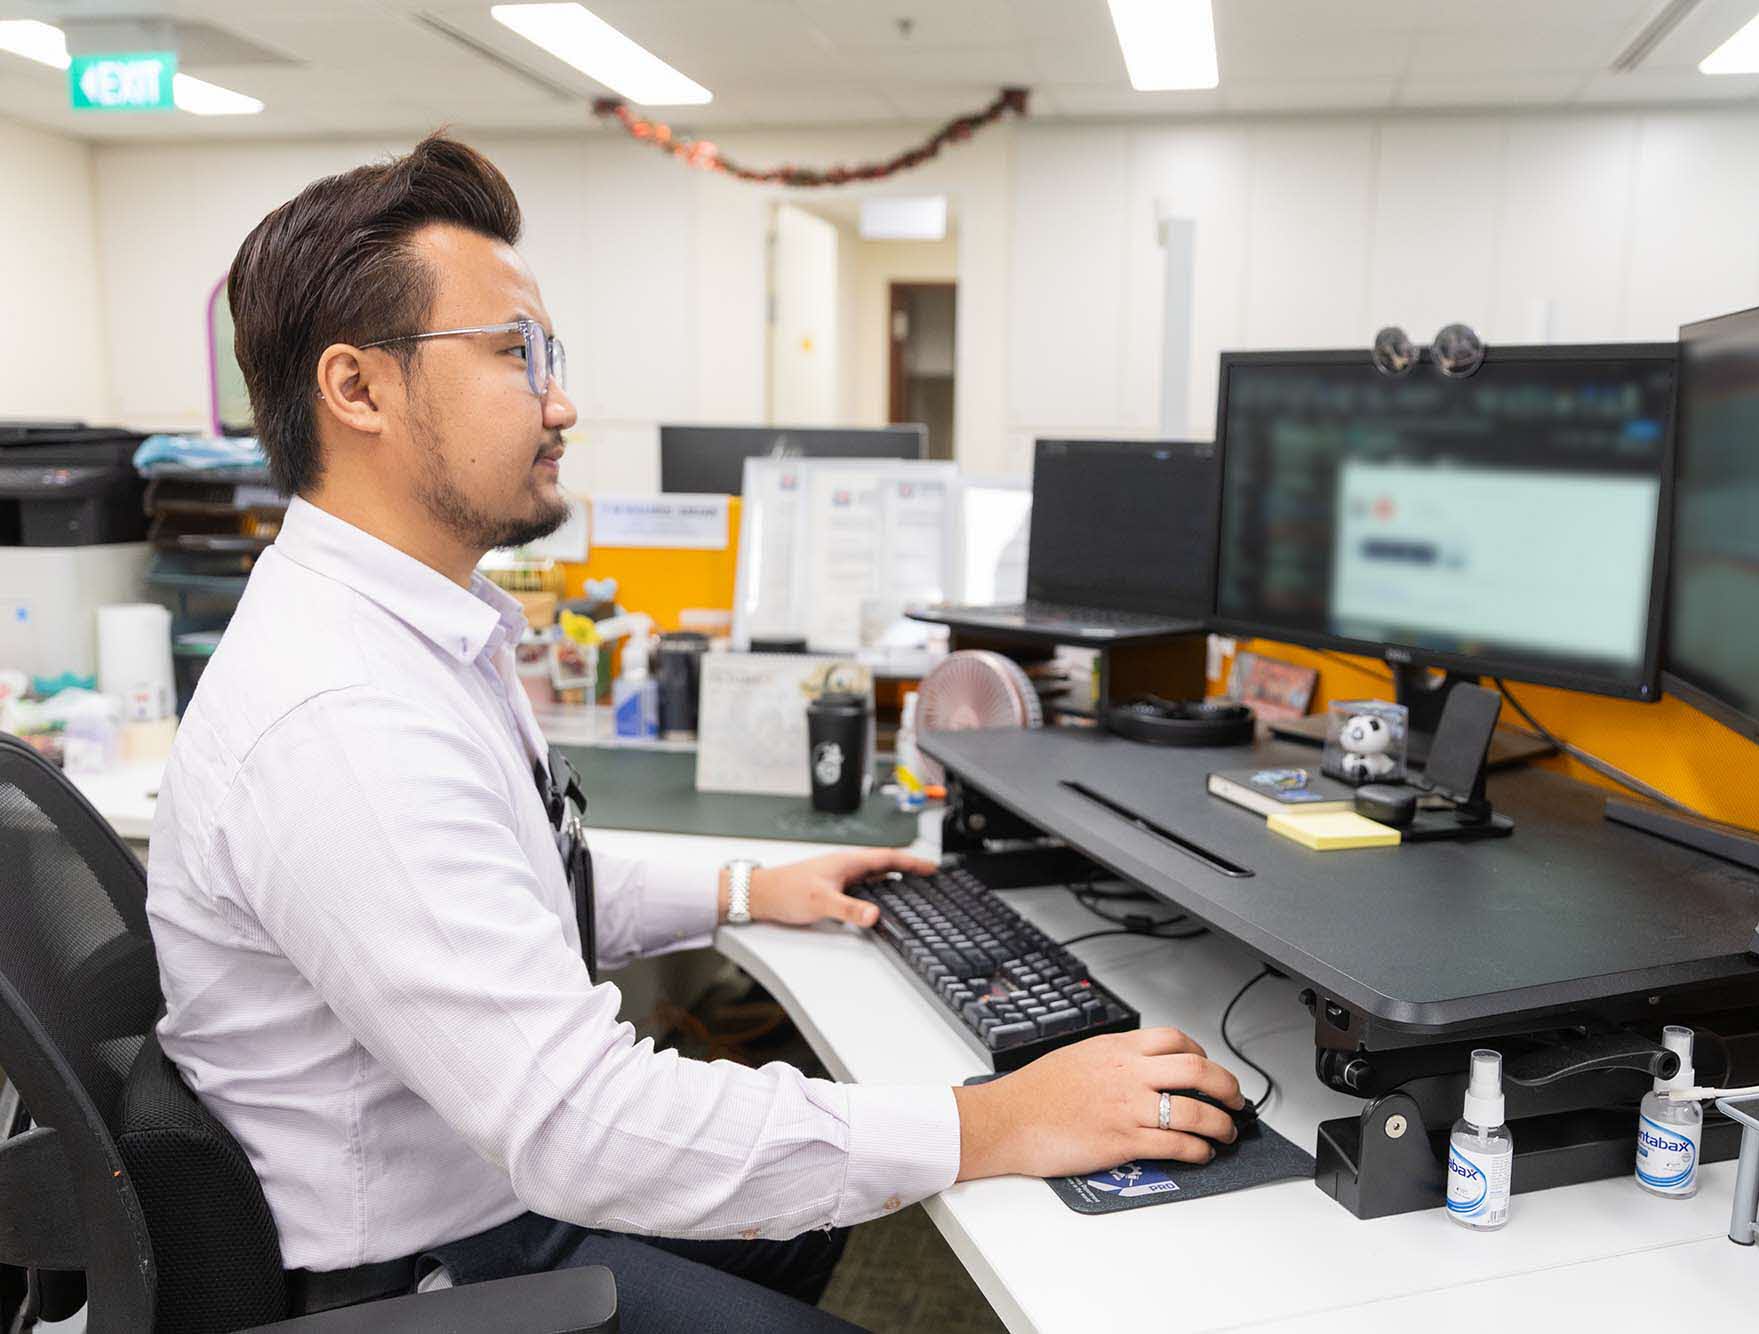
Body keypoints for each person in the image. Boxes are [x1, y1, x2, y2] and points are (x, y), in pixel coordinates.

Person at [145, 133, 1245, 1332]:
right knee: (847, 1200)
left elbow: (512, 886)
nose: (561, 400)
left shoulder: (410, 632)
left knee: (824, 1194)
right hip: (427, 1268)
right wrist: (996, 1118)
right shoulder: (341, 718)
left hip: (484, 1180)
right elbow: (581, 1126)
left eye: (548, 352)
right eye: (514, 354)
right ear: (356, 389)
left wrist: (747, 885)